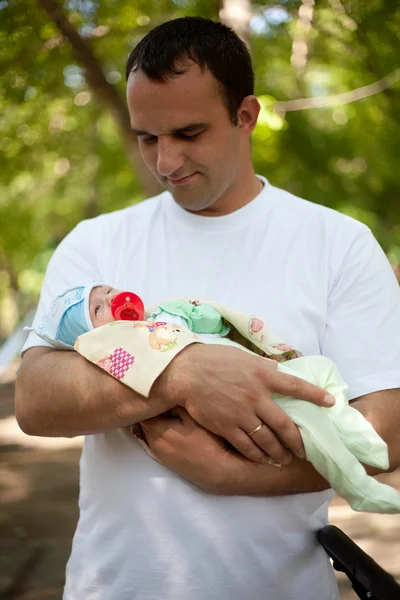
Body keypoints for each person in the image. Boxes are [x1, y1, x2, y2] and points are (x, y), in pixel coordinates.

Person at [15, 16, 400, 600]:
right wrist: (181, 372)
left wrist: (235, 478)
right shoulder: (95, 242)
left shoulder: (338, 244)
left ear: (246, 115)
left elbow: (386, 432)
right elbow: (36, 400)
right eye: (147, 137)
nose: (166, 161)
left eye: (189, 133)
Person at [31, 282, 400, 514]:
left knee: (322, 373)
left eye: (107, 290)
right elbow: (128, 367)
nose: (111, 299)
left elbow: (212, 324)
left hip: (270, 373)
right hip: (253, 402)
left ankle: (356, 434)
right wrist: (184, 374)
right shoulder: (114, 344)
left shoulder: (160, 317)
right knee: (312, 430)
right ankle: (357, 485)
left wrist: (194, 314)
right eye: (97, 308)